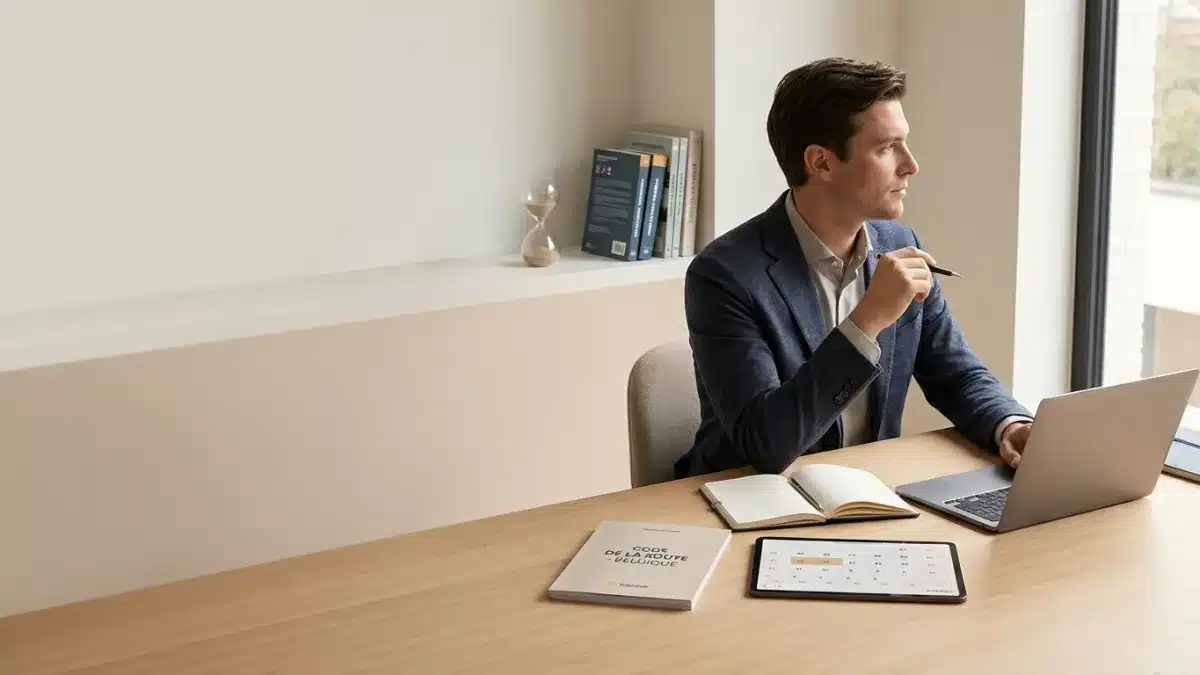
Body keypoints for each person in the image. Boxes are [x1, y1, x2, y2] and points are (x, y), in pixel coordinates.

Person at [675, 57, 1033, 479]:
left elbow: (956, 375)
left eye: (905, 142)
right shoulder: (724, 274)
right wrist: (867, 321)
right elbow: (766, 444)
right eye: (886, 148)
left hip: (864, 495)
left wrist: (1010, 424)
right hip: (746, 500)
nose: (910, 164)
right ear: (822, 163)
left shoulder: (902, 246)